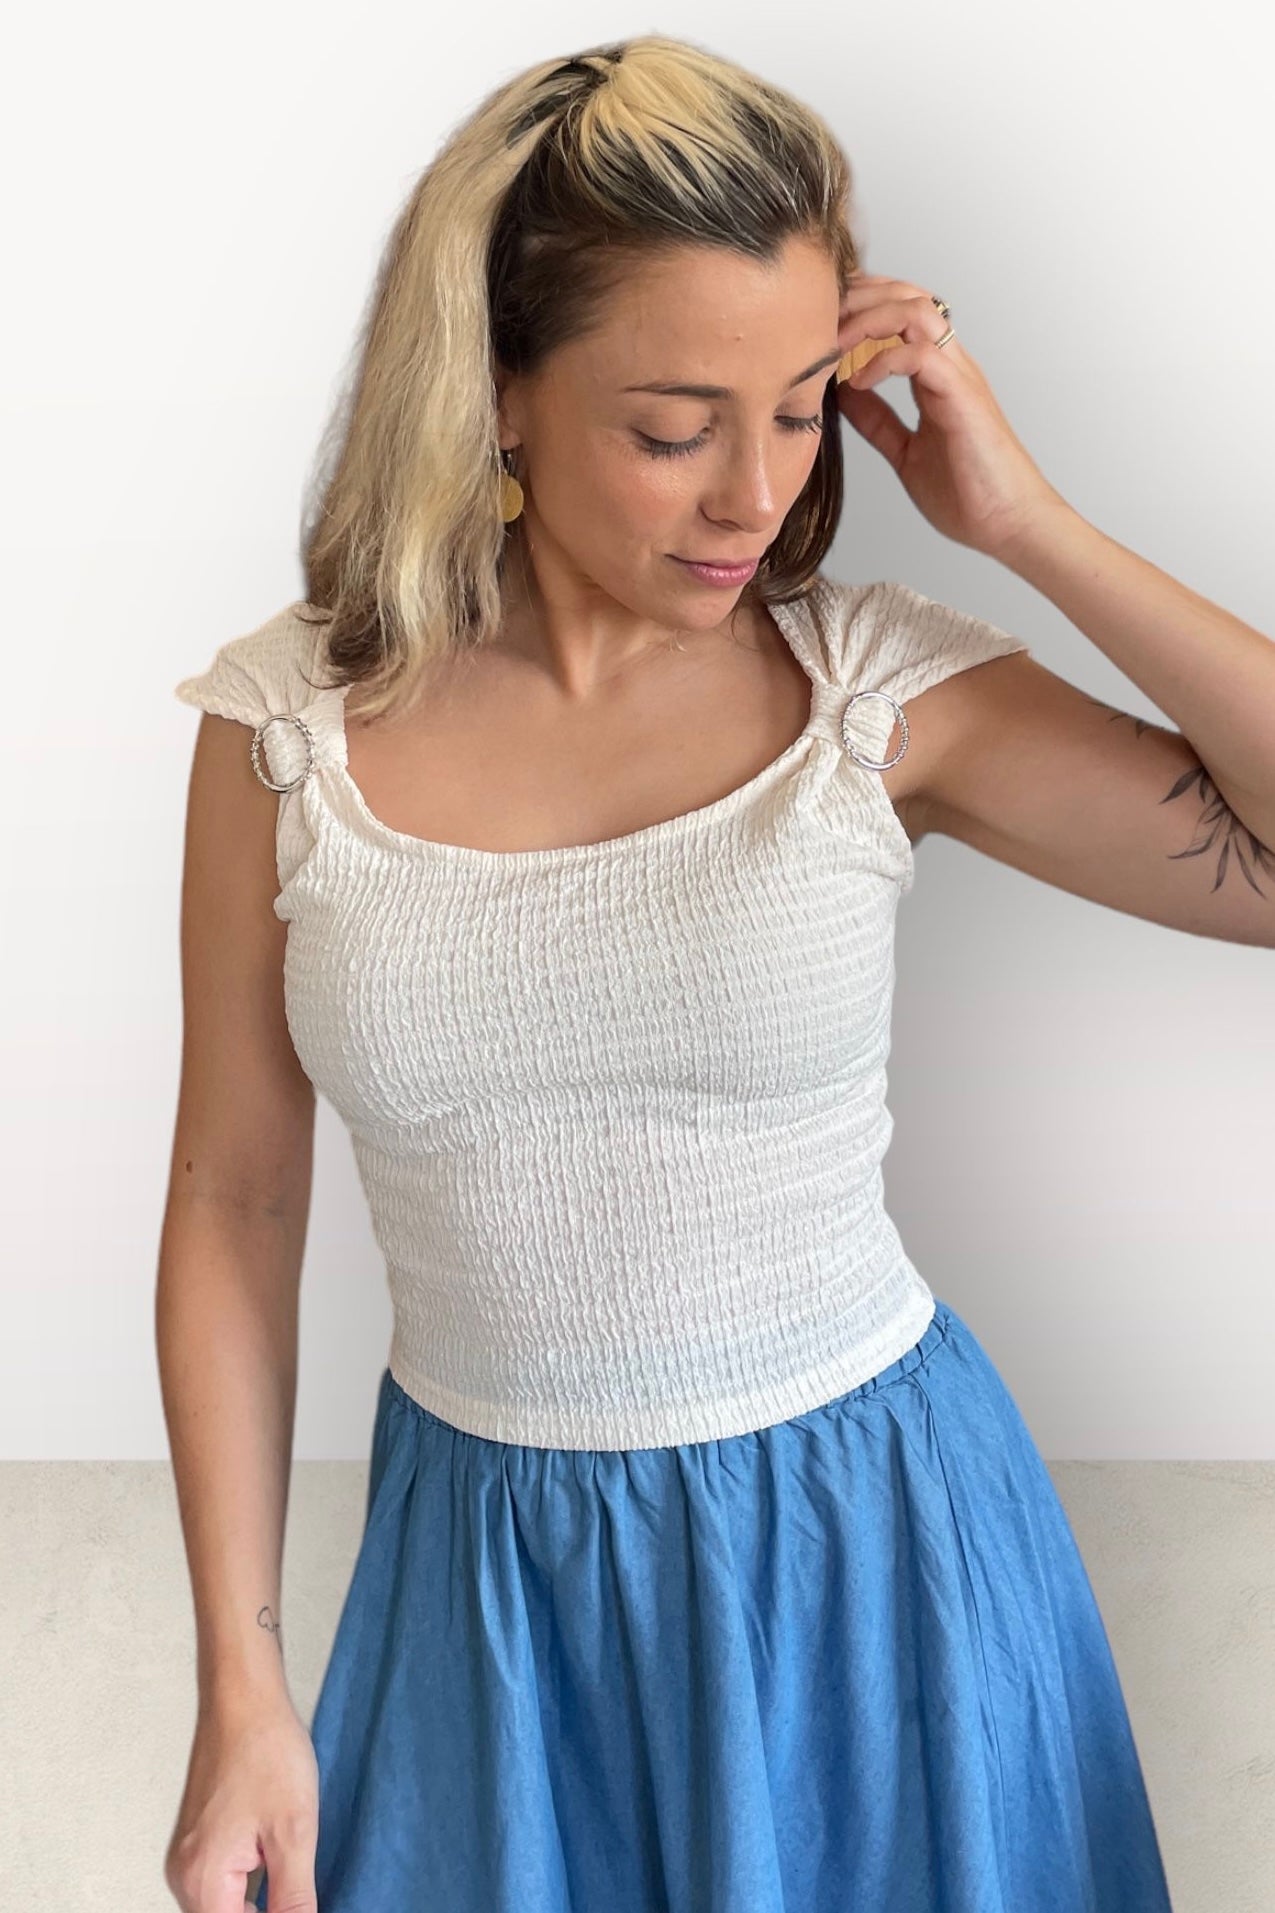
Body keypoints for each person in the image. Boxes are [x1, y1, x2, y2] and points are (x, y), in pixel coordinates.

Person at [160, 30, 1273, 1913]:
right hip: (490, 1588)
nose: (753, 494)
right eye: (675, 429)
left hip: (876, 1562)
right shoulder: (283, 734)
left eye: (801, 411)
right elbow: (233, 1199)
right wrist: (241, 1682)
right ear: (497, 393)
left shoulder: (872, 695)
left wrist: (1025, 524)